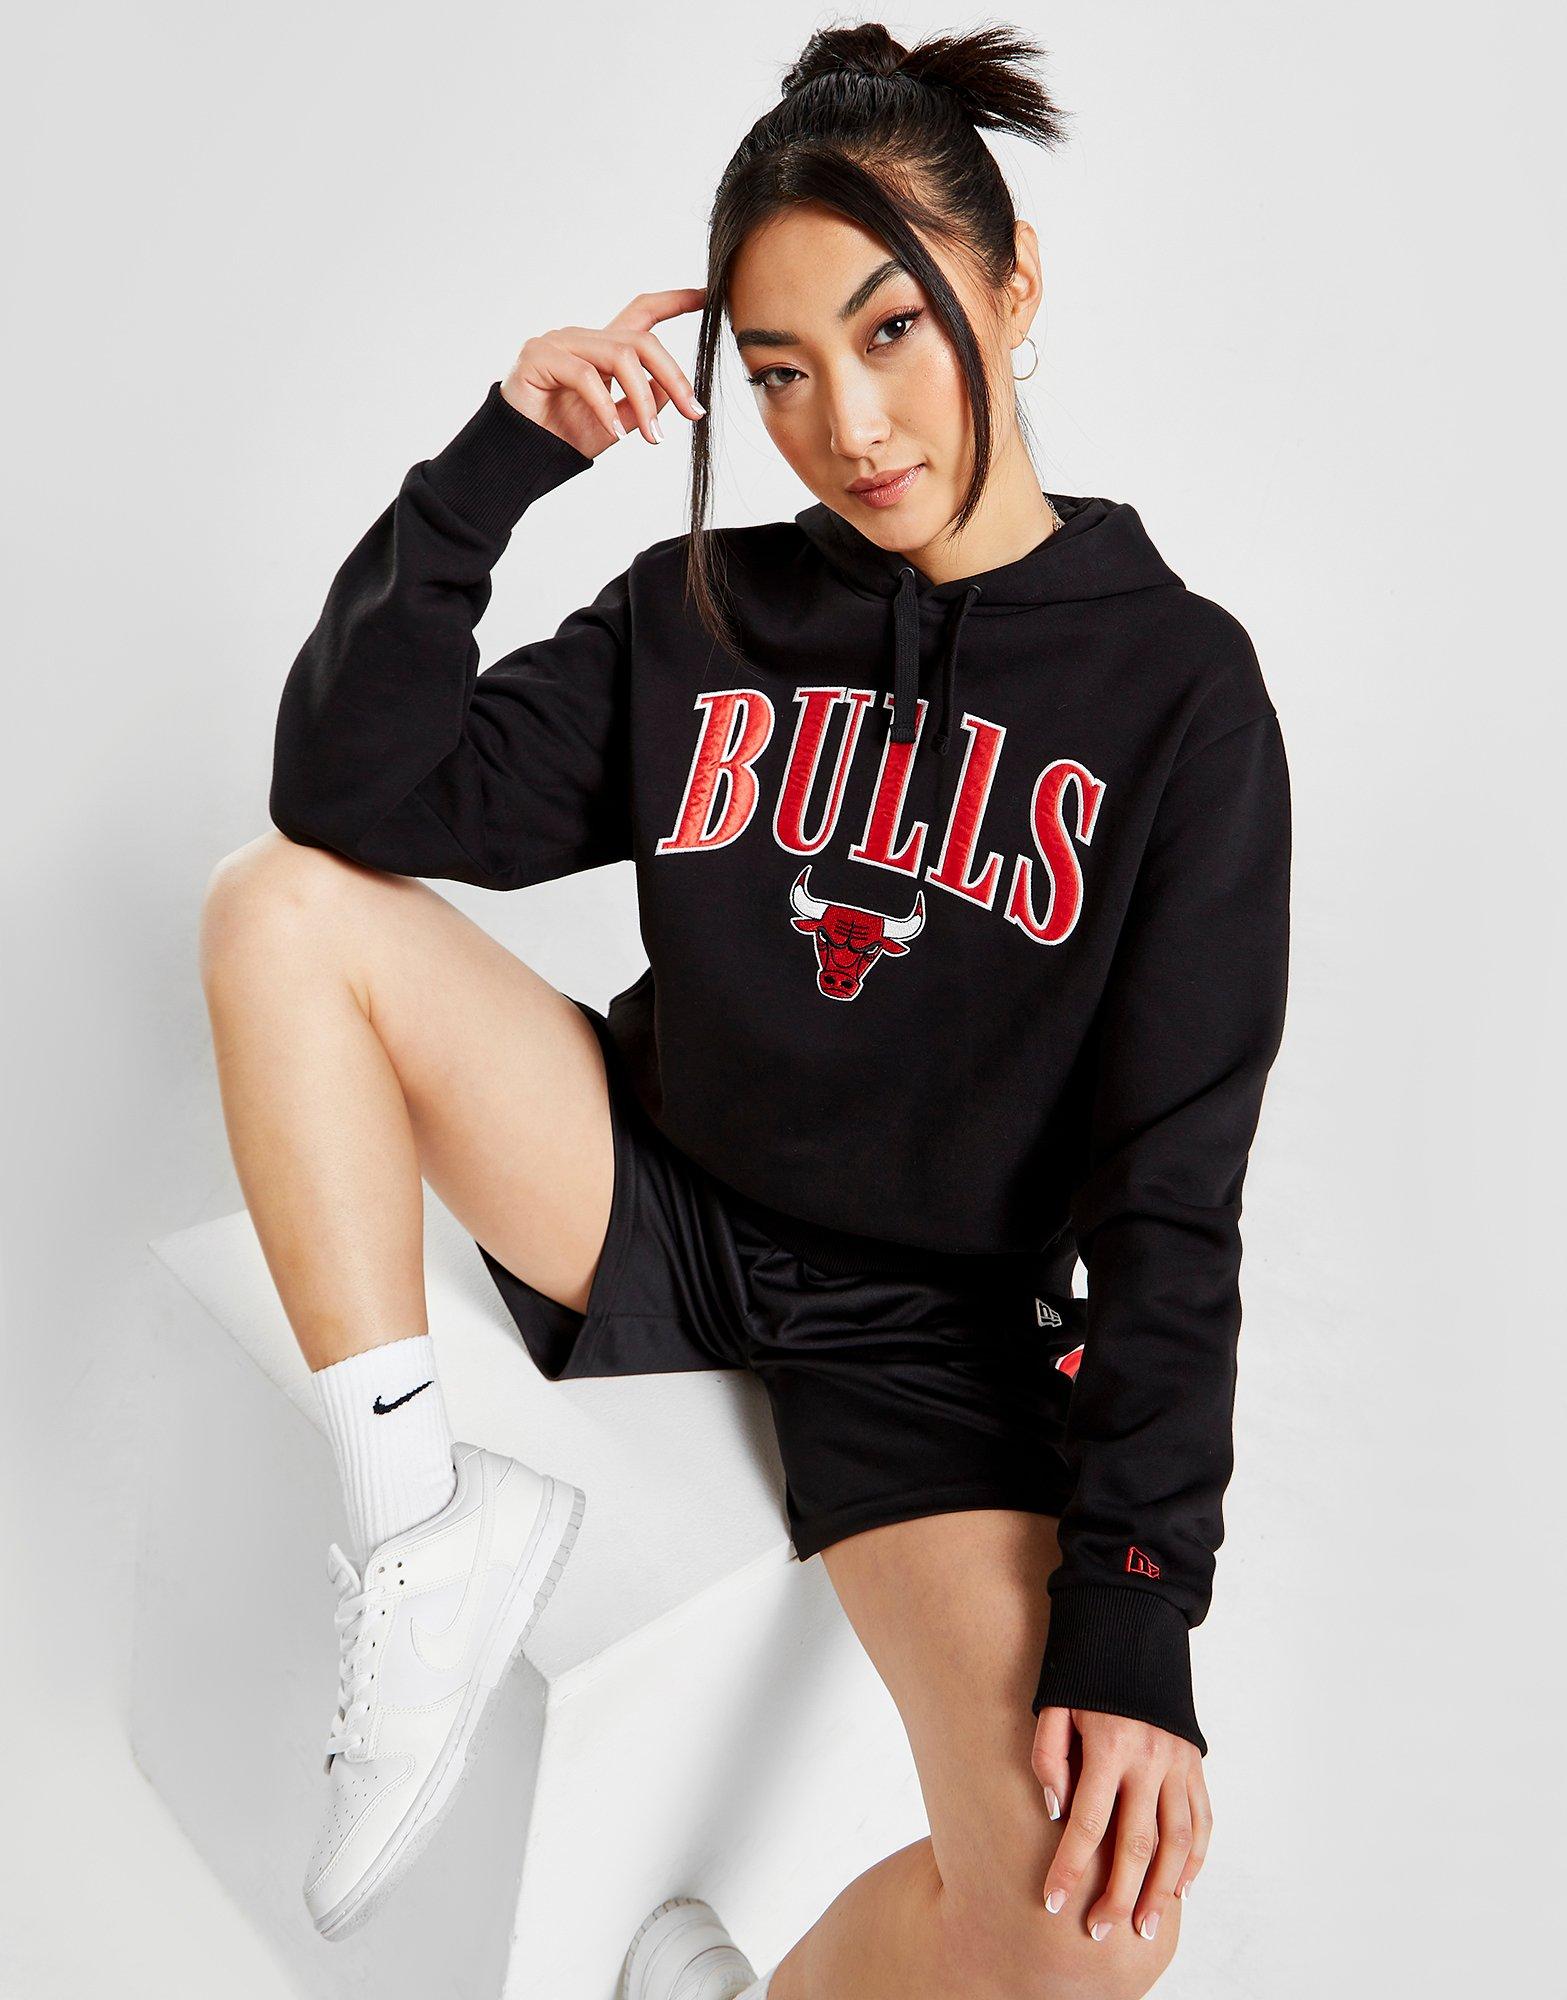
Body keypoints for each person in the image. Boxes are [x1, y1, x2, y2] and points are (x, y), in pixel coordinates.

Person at [198, 18, 1291, 1998]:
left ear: (1014, 289)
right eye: (776, 373)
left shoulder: (1180, 695)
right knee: (277, 909)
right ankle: (422, 1531)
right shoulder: (703, 606)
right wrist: (500, 459)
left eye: (892, 333)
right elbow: (352, 796)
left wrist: (1138, 1604)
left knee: (1079, 1938)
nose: (845, 425)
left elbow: (1172, 1188)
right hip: (653, 1187)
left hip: (929, 1334)